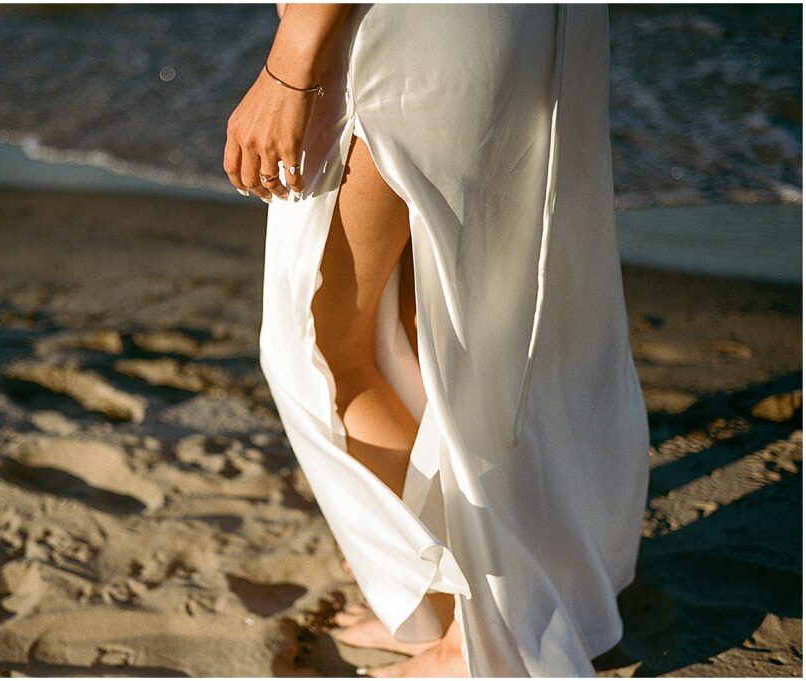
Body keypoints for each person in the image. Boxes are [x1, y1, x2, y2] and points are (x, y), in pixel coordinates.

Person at [223, 4, 650, 677]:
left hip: (406, 25)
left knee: (319, 352)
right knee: (450, 330)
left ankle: (475, 636)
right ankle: (463, 614)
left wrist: (292, 57)